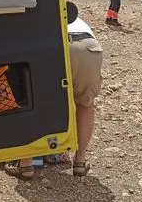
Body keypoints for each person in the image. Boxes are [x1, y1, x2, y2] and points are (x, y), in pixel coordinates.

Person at [17, 14, 104, 179]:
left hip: (57, 45)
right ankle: (80, 161)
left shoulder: (36, 13)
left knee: (36, 103)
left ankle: (27, 164)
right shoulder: (72, 15)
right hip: (89, 47)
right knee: (85, 104)